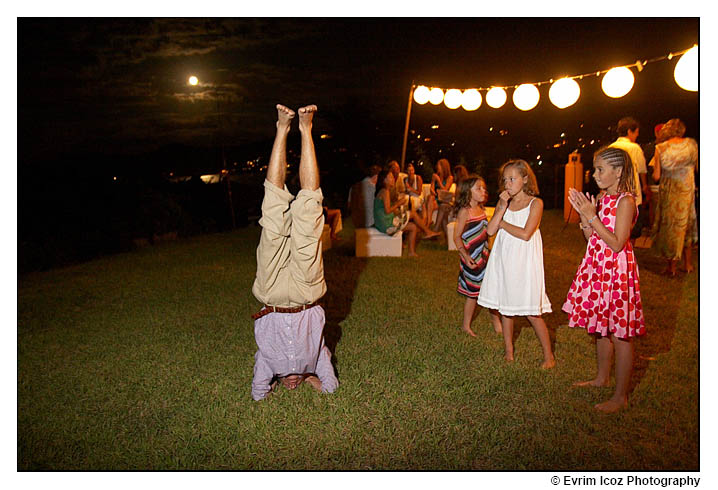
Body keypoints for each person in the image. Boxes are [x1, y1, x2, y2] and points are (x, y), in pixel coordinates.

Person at [250, 104, 338, 401]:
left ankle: (281, 128)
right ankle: (305, 129)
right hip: (305, 292)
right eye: (294, 384)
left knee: (272, 208)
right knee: (310, 206)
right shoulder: (315, 361)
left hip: (271, 292)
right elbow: (331, 387)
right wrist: (311, 376)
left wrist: (272, 384)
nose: (291, 383)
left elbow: (258, 394)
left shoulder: (268, 364)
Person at [563, 146, 646, 413]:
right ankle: (601, 378)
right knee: (600, 328)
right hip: (598, 268)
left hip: (617, 272)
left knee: (620, 334)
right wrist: (586, 221)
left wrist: (592, 216)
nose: (595, 174)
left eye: (600, 169)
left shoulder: (626, 201)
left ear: (618, 171)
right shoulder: (602, 197)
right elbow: (592, 238)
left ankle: (620, 396)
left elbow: (618, 243)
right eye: (595, 169)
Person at [477, 159, 555, 368]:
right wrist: (501, 207)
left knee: (532, 311)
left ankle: (549, 356)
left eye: (512, 179)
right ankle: (509, 352)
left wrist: (502, 222)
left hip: (524, 260)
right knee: (505, 307)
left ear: (525, 179)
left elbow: (526, 233)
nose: (508, 184)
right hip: (504, 258)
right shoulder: (507, 203)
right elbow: (491, 231)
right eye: (505, 180)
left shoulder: (535, 203)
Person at [453, 175, 503, 337]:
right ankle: (466, 325)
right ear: (468, 192)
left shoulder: (481, 209)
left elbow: (486, 233)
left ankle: (496, 320)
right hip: (471, 257)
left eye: (484, 188)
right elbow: (456, 236)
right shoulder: (464, 212)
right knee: (473, 294)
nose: (483, 191)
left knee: (490, 289)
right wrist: (465, 256)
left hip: (484, 256)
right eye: (478, 188)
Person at [650, 118, 698, 276]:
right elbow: (697, 167)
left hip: (671, 191)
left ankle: (671, 268)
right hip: (687, 191)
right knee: (687, 226)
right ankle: (688, 264)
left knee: (671, 228)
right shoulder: (692, 144)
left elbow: (656, 176)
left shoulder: (661, 148)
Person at [374, 169, 438, 257]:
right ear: (385, 180)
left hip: (384, 223)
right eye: (391, 177)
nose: (393, 179)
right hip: (387, 225)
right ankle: (427, 231)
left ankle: (411, 252)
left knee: (413, 227)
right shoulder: (385, 191)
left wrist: (398, 206)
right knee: (412, 213)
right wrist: (398, 203)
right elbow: (387, 210)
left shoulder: (384, 191)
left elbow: (386, 209)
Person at [608, 117, 649, 238]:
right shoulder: (634, 148)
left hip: (614, 193)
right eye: (636, 132)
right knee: (632, 228)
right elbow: (642, 170)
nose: (637, 135)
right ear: (630, 131)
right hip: (632, 193)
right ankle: (628, 253)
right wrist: (645, 185)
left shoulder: (611, 148)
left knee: (616, 226)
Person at [430, 158, 456, 239]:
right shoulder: (436, 176)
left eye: (438, 166)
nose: (437, 168)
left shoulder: (450, 178)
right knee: (430, 198)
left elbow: (445, 190)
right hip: (437, 200)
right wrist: (434, 182)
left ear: (443, 167)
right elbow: (432, 189)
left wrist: (438, 180)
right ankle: (429, 223)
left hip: (445, 201)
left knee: (443, 211)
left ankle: (434, 230)